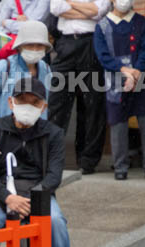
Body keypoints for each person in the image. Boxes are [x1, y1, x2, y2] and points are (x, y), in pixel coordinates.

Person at [0, 77, 89, 247]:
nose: (27, 107)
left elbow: (54, 175)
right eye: (22, 101)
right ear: (11, 103)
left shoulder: (54, 134)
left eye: (34, 102)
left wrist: (31, 200)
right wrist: (8, 198)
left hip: (39, 195)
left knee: (56, 221)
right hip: (4, 195)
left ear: (43, 107)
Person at [94, 0, 145, 180]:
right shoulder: (102, 26)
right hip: (115, 78)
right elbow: (103, 56)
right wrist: (124, 70)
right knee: (118, 123)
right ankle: (120, 167)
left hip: (142, 76)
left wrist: (137, 71)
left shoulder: (141, 23)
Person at [48, 0, 108, 174]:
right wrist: (87, 12)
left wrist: (70, 3)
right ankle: (52, 156)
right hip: (66, 43)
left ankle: (87, 160)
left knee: (92, 104)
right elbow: (55, 8)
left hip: (91, 43)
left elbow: (99, 12)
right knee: (57, 103)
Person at [0, 20, 53, 124]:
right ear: (20, 46)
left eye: (39, 45)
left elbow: (44, 106)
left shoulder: (46, 69)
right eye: (30, 45)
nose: (34, 49)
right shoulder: (3, 67)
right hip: (4, 132)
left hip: (34, 133)